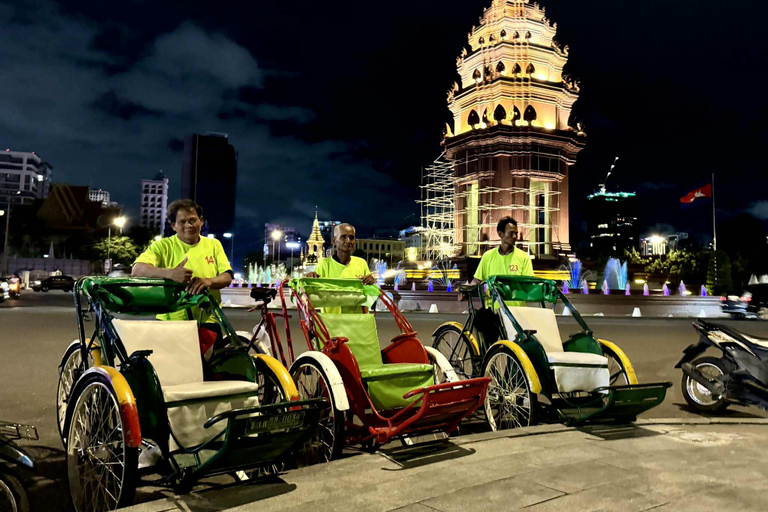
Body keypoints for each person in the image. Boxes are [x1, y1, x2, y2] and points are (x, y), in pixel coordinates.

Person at [132, 199, 233, 321]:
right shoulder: (162, 246)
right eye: (182, 222)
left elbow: (227, 276)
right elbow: (137, 269)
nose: (188, 225)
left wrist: (208, 281)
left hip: (209, 319)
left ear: (201, 221)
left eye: (192, 220)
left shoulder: (214, 244)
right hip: (171, 320)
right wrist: (169, 274)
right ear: (173, 225)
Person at [307, 223, 375, 285]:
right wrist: (310, 278)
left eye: (351, 238)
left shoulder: (361, 263)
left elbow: (369, 293)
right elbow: (315, 290)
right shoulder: (324, 264)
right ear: (334, 241)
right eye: (343, 237)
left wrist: (371, 282)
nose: (348, 241)